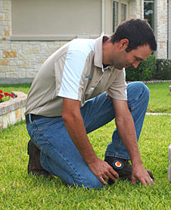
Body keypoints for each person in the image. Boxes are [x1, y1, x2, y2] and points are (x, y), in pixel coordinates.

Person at [25, 19, 157, 189]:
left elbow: (123, 115)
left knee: (138, 92)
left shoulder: (117, 68)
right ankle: (43, 158)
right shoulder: (78, 54)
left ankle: (118, 160)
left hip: (74, 115)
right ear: (124, 44)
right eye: (136, 58)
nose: (136, 65)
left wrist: (137, 163)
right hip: (43, 122)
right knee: (92, 182)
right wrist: (93, 161)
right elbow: (70, 115)